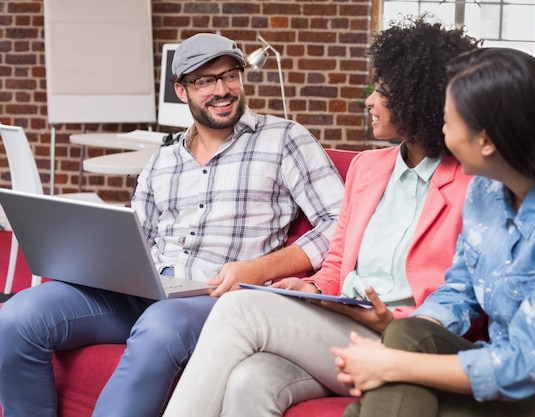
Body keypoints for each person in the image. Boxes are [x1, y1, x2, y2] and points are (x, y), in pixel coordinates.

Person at [0, 33, 345, 417]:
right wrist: (97, 259)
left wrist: (259, 268)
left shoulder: (284, 139)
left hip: (218, 296)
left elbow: (340, 222)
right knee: (17, 316)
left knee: (160, 327)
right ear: (181, 91)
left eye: (230, 75)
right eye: (205, 81)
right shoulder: (163, 159)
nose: (222, 90)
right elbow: (137, 234)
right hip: (145, 287)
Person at [162, 16, 482, 417]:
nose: (368, 100)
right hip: (339, 321)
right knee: (252, 379)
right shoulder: (368, 168)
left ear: (421, 99)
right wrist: (311, 288)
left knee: (237, 309)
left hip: (403, 339)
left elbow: (466, 292)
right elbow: (335, 264)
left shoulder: (474, 184)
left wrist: (400, 321)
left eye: (381, 91)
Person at [331, 47, 535, 417]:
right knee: (407, 334)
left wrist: (389, 365)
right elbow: (460, 288)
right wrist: (404, 340)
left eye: (448, 122)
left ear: (486, 141)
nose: (440, 131)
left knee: (380, 403)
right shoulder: (486, 192)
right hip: (505, 381)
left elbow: (522, 366)